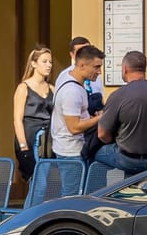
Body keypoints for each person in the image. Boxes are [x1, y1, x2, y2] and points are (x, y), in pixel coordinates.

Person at [92, 51, 147, 174]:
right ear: (144, 69)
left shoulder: (119, 95)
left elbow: (102, 134)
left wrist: (115, 140)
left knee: (91, 152)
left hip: (128, 158)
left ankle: (98, 190)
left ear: (125, 69)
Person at [51, 44, 105, 161]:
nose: (99, 71)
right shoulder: (72, 91)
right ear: (82, 66)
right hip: (71, 152)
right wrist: (100, 118)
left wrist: (89, 117)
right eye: (96, 67)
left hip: (74, 149)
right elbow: (74, 127)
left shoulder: (71, 80)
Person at [12, 45, 54, 183]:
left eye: (50, 62)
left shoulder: (52, 88)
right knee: (38, 182)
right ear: (34, 64)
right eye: (44, 61)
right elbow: (17, 119)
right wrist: (23, 146)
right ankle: (33, 205)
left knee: (45, 181)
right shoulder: (24, 87)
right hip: (31, 138)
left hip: (48, 140)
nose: (48, 65)